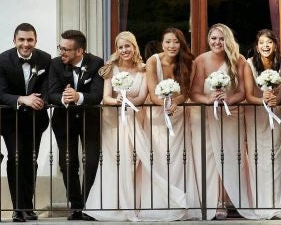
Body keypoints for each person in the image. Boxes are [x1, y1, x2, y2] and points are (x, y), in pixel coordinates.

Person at [190, 23, 257, 220]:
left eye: (221, 38)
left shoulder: (239, 60)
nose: (217, 42)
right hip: (207, 116)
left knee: (230, 157)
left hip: (231, 115)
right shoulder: (201, 60)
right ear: (208, 40)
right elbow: (193, 93)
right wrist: (208, 100)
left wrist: (228, 100)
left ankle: (229, 200)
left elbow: (243, 91)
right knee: (210, 159)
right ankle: (211, 201)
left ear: (227, 40)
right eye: (213, 38)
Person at [139, 27, 201, 221]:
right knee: (157, 156)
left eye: (175, 42)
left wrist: (175, 103)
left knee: (178, 158)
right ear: (162, 43)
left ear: (181, 44)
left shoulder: (187, 62)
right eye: (168, 42)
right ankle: (159, 203)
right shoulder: (153, 61)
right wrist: (165, 104)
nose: (171, 46)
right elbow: (151, 90)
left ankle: (180, 202)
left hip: (178, 113)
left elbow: (186, 91)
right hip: (157, 115)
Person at [85, 31, 147, 221]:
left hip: (135, 119)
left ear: (134, 46)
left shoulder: (143, 69)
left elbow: (143, 97)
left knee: (136, 161)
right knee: (118, 162)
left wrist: (129, 102)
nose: (124, 50)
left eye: (127, 46)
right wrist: (118, 100)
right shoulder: (111, 69)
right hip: (114, 123)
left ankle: (135, 204)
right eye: (120, 47)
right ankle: (114, 205)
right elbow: (106, 98)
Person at [0, 23, 51, 222]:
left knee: (31, 161)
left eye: (30, 40)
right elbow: (0, 93)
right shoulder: (2, 60)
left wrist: (41, 99)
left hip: (36, 120)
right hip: (11, 120)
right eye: (22, 40)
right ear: (14, 40)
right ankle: (18, 208)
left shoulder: (45, 59)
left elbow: (47, 88)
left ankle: (28, 206)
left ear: (35, 40)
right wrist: (22, 99)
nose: (26, 44)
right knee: (15, 158)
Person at [47, 30, 104, 221]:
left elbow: (98, 94)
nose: (61, 52)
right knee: (67, 163)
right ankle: (76, 206)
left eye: (66, 49)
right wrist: (64, 98)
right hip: (64, 121)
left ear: (80, 51)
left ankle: (89, 207)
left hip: (90, 120)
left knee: (92, 161)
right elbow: (51, 93)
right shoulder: (55, 64)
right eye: (60, 47)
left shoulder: (97, 63)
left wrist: (79, 96)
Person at [243, 29, 281, 219]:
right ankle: (261, 205)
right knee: (258, 157)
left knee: (276, 156)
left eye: (269, 42)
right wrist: (263, 101)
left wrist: (276, 100)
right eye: (262, 43)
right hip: (256, 114)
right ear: (257, 46)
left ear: (275, 44)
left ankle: (279, 204)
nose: (266, 46)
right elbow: (248, 94)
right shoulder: (249, 64)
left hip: (276, 112)